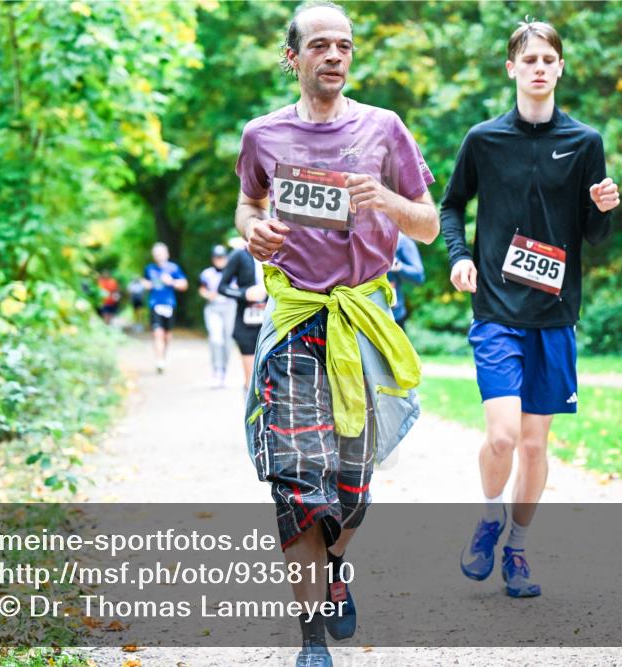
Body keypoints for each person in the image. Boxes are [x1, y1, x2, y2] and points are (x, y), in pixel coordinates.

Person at [234, 3, 438, 665]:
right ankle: (311, 635)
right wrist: (253, 229)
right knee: (297, 483)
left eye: (344, 45)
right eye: (319, 44)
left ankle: (336, 564)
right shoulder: (262, 135)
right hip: (296, 322)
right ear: (291, 57)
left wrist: (385, 199)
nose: (334, 55)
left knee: (352, 484)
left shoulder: (385, 128)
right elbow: (248, 204)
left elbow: (428, 223)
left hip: (362, 321)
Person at [440, 20, 620, 598]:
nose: (539, 68)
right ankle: (489, 517)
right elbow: (451, 205)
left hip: (555, 316)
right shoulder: (484, 139)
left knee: (536, 446)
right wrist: (460, 256)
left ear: (560, 68)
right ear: (511, 68)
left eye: (548, 59)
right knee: (502, 438)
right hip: (496, 310)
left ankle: (516, 549)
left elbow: (595, 236)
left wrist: (603, 208)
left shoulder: (586, 142)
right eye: (529, 59)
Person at [217, 244, 267, 391]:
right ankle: (249, 402)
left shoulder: (277, 253)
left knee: (270, 375)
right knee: (251, 381)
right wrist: (244, 294)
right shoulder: (239, 255)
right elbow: (222, 287)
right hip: (246, 322)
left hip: (272, 321)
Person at [141, 242, 189, 374]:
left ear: (167, 254)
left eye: (161, 254)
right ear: (153, 256)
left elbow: (184, 285)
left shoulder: (174, 268)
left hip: (169, 304)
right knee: (158, 333)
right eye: (156, 254)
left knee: (167, 335)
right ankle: (159, 360)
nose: (159, 256)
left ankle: (164, 355)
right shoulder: (149, 269)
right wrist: (147, 284)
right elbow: (144, 281)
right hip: (154, 304)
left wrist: (171, 282)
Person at [199, 245, 238, 388]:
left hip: (230, 307)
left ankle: (224, 371)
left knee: (228, 340)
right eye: (217, 258)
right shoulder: (207, 273)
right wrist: (209, 295)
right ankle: (217, 370)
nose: (219, 260)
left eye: (222, 257)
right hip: (213, 308)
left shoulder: (233, 273)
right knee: (216, 338)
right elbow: (202, 289)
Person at [387, 232, 425, 331]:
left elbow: (419, 276)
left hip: (393, 315)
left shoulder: (401, 240)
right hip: (360, 311)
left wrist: (397, 266)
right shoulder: (355, 233)